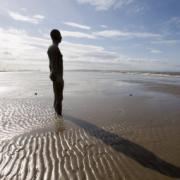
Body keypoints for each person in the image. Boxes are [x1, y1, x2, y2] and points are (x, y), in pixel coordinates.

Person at [47, 29, 64, 116]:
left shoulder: (53, 48)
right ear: (56, 37)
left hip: (57, 77)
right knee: (59, 98)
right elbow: (53, 65)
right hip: (57, 77)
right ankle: (59, 119)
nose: (61, 37)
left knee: (57, 98)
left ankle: (57, 116)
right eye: (60, 35)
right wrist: (57, 78)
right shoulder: (54, 48)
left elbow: (50, 65)